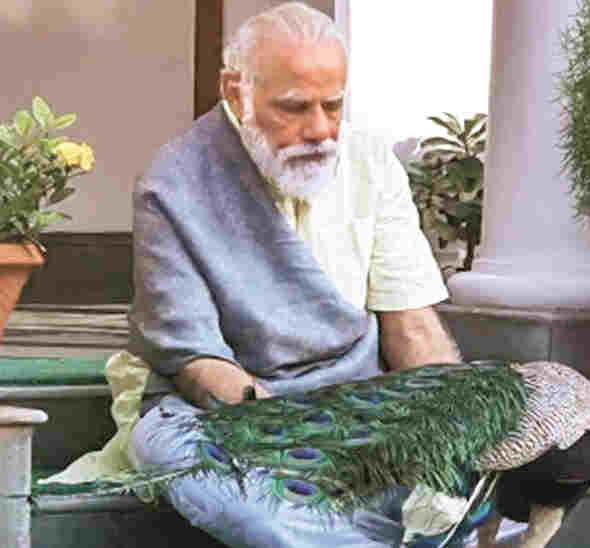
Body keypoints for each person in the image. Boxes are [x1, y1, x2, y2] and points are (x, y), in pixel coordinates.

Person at [48, 3, 466, 546]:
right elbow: (196, 362)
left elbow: (411, 326)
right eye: (293, 108)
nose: (319, 130)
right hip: (223, 412)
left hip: (364, 402)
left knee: (466, 476)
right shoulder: (173, 181)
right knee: (231, 493)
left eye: (333, 106)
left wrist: (457, 426)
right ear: (234, 90)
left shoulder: (369, 162)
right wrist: (286, 435)